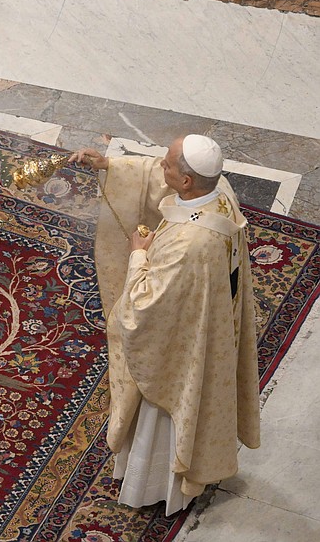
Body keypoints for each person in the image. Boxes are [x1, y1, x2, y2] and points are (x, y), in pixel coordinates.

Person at [70, 135, 260, 514]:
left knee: (163, 402)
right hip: (202, 313)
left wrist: (139, 257)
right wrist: (110, 166)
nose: (161, 165)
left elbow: (144, 309)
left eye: (169, 163)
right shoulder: (217, 189)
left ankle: (155, 485)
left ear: (187, 181)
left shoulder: (189, 244)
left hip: (176, 346)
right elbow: (159, 180)